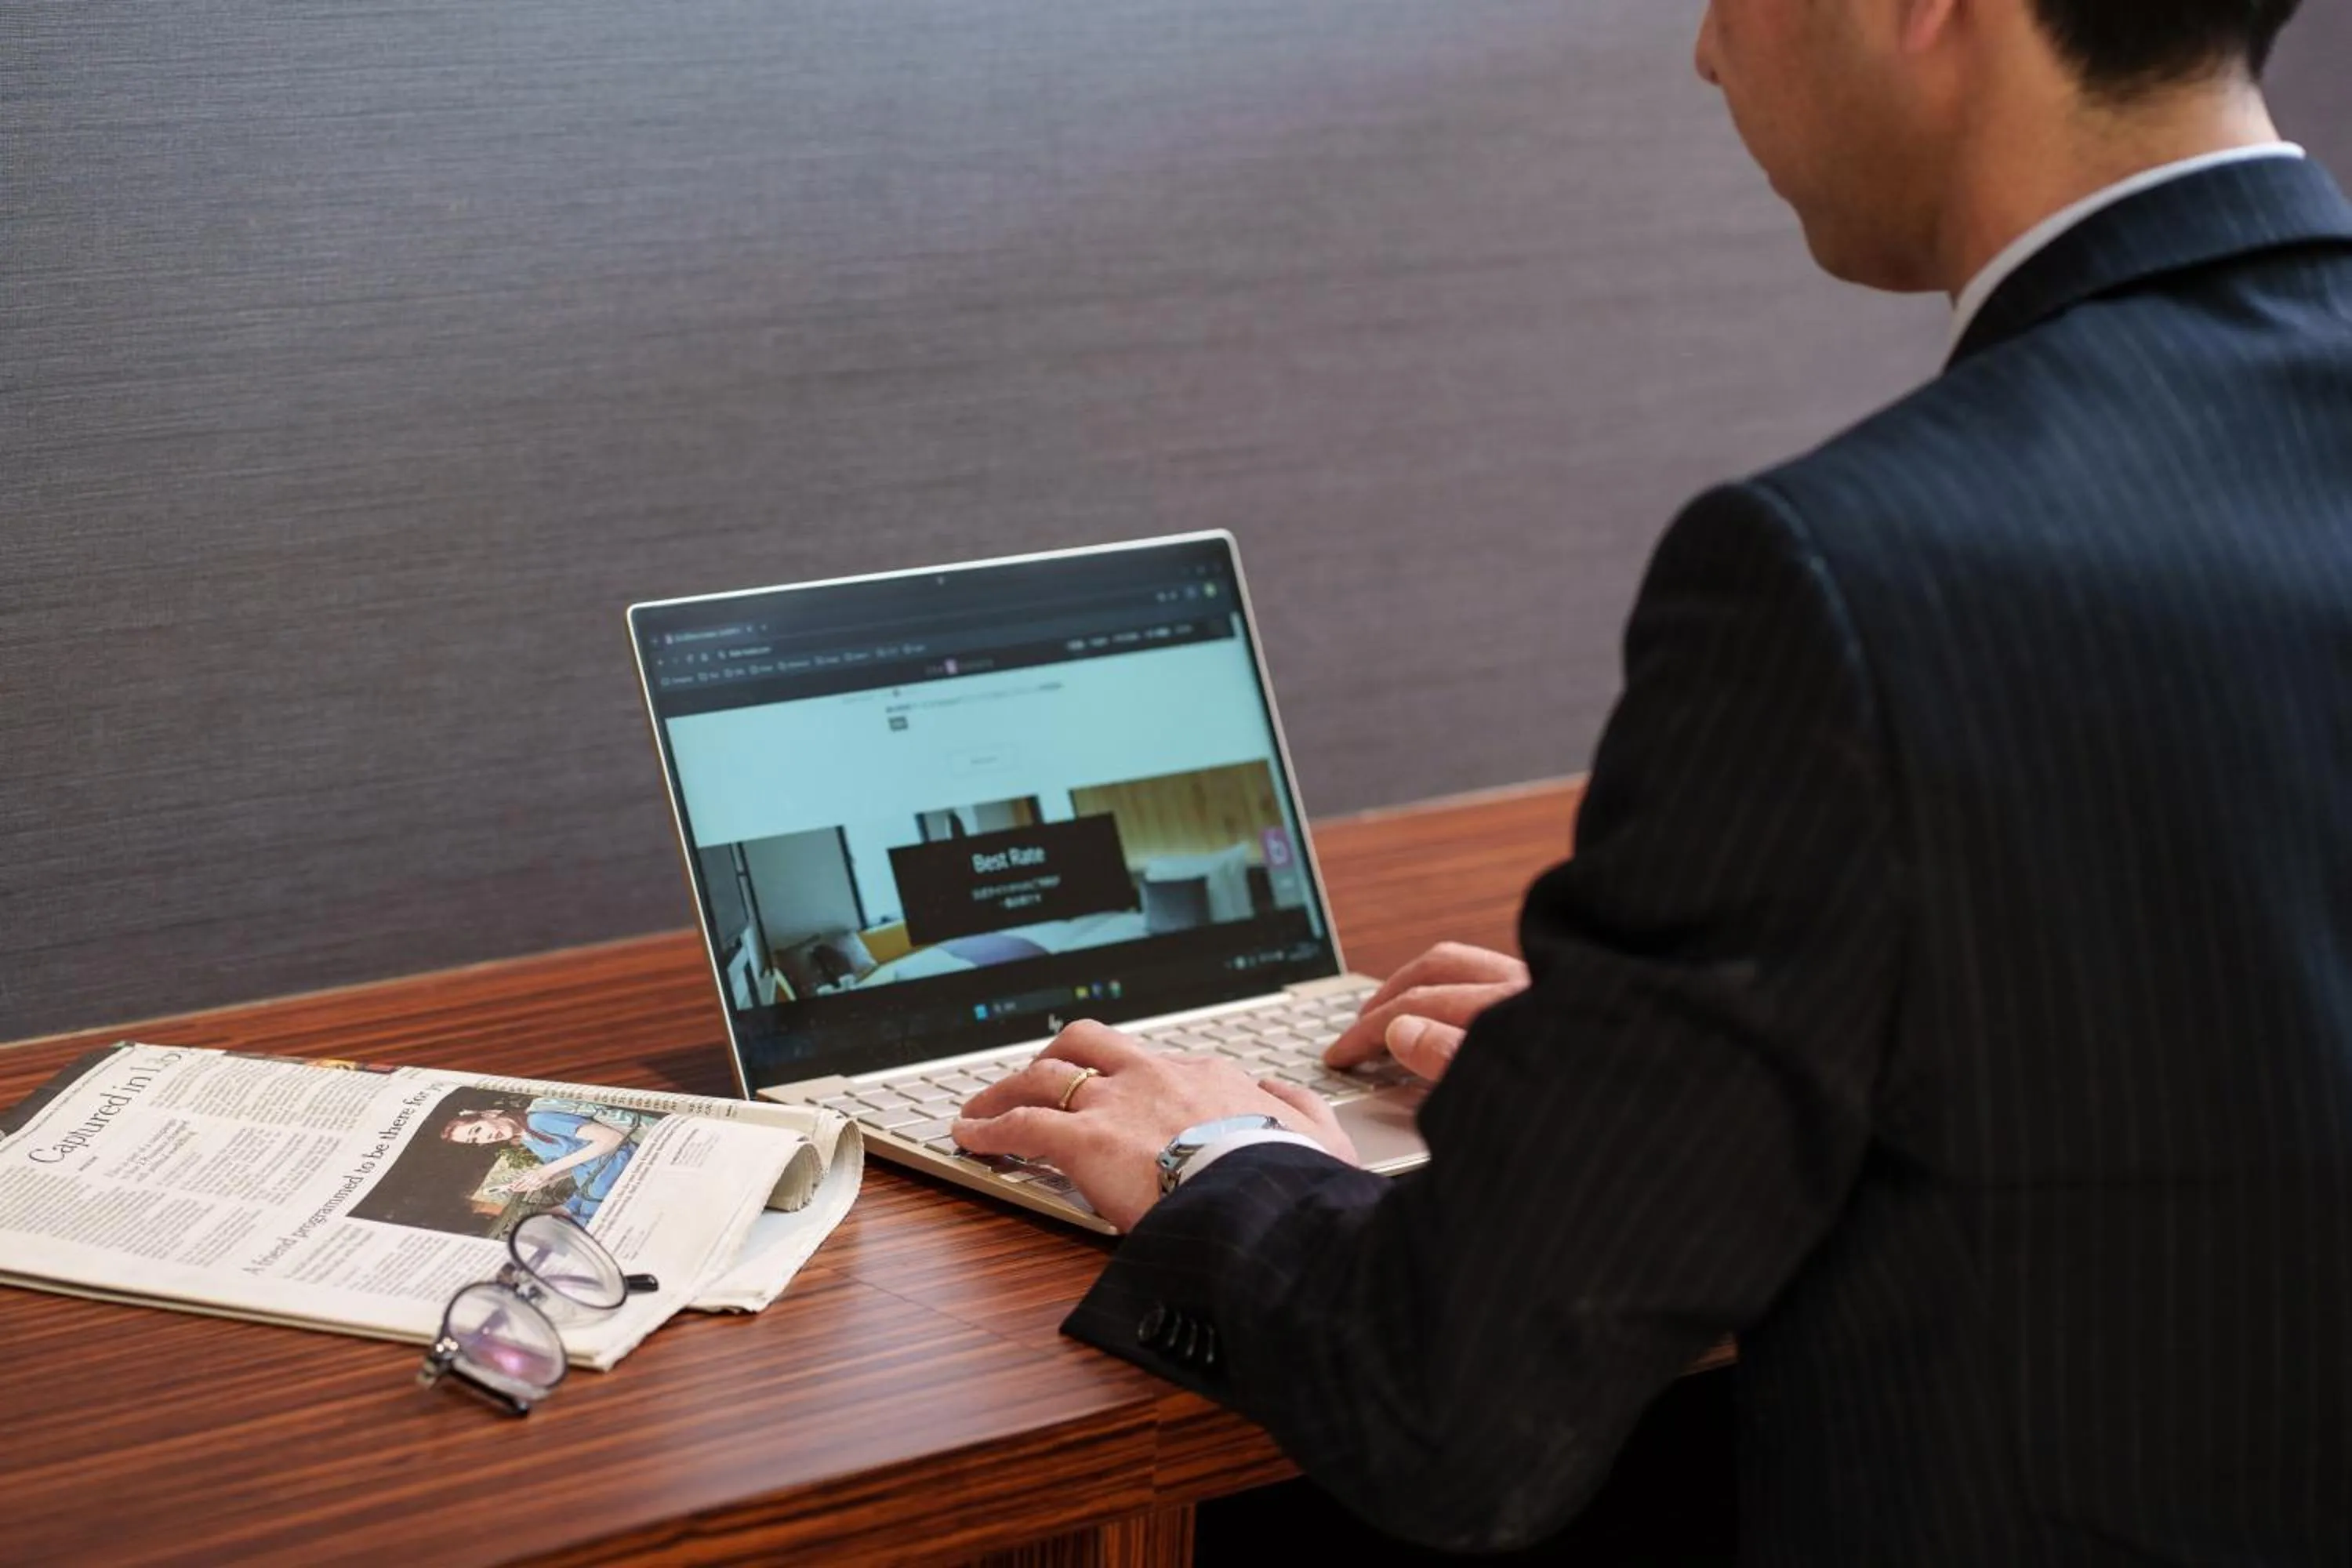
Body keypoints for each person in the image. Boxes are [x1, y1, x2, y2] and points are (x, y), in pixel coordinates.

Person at [953, 0, 2352, 1559]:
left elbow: (1454, 1410)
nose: (1704, 52)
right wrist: (1654, 1089)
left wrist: (1227, 1158)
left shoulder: (1846, 578)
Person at [441, 1100, 647, 1223]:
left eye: (477, 1130)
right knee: (549, 1220)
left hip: (615, 1171)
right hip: (592, 1183)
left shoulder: (539, 1120)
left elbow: (612, 1138)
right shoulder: (529, 1140)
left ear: (488, 1115)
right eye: (474, 1140)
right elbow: (571, 1165)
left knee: (580, 1228)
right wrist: (543, 1179)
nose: (484, 1138)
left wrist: (548, 1170)